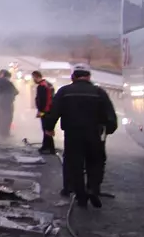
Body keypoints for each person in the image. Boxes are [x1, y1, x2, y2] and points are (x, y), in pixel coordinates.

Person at [43, 68, 118, 208]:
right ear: (89, 77)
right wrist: (109, 129)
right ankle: (93, 189)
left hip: (73, 134)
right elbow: (110, 113)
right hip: (94, 134)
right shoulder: (99, 92)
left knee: (74, 164)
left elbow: (54, 111)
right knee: (96, 162)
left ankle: (80, 195)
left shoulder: (64, 91)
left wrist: (49, 127)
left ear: (73, 78)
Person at [32, 71, 56, 154]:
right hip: (50, 110)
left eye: (33, 78)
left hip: (45, 110)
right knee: (47, 128)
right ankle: (46, 146)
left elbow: (42, 100)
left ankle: (50, 148)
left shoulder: (41, 86)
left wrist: (40, 111)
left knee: (46, 128)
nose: (33, 79)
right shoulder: (48, 84)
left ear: (36, 76)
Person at [0, 69, 19, 138]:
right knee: (8, 118)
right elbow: (16, 91)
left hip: (0, 104)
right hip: (7, 103)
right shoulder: (6, 82)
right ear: (4, 75)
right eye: (8, 77)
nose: (8, 79)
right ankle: (6, 133)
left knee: (1, 118)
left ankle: (1, 133)